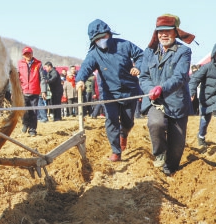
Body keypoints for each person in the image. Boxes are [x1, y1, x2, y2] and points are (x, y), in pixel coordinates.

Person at [75, 19, 143, 162]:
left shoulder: (124, 45)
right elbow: (86, 67)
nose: (101, 41)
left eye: (103, 37)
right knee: (111, 120)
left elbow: (141, 55)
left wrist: (138, 67)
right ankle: (116, 151)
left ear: (109, 34)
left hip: (129, 90)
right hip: (109, 93)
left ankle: (124, 134)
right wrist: (80, 80)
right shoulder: (94, 53)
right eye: (97, 39)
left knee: (128, 121)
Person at [139, 14, 194, 175]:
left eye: (167, 31)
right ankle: (159, 153)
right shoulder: (149, 52)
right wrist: (151, 89)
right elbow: (143, 77)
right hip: (155, 101)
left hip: (177, 101)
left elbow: (180, 76)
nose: (163, 35)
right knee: (156, 124)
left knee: (176, 147)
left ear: (175, 32)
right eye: (160, 31)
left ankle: (170, 168)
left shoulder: (184, 51)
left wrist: (162, 88)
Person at [17, 46, 42, 137]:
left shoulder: (38, 64)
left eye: (29, 53)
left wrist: (44, 91)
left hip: (34, 91)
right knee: (24, 110)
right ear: (23, 55)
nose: (27, 55)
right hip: (23, 91)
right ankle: (25, 123)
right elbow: (17, 79)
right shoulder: (20, 64)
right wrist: (15, 91)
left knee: (34, 111)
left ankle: (32, 129)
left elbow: (42, 78)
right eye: (25, 54)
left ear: (32, 54)